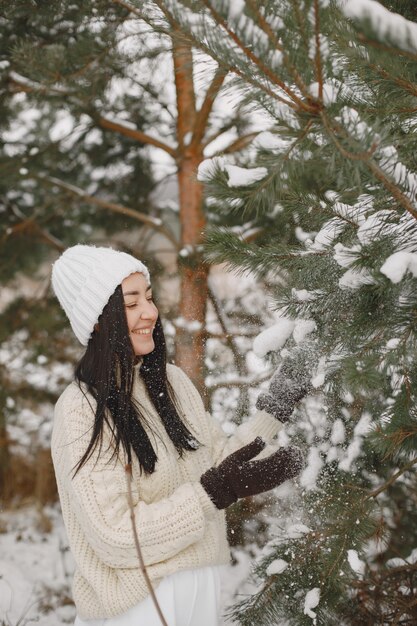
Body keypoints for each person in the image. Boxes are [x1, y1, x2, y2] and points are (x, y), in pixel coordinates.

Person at [50, 244, 310, 626]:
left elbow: (218, 463)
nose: (150, 312)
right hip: (136, 608)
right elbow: (117, 537)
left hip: (201, 592)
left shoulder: (171, 383)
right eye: (132, 302)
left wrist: (275, 410)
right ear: (97, 320)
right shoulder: (82, 410)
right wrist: (213, 493)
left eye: (150, 298)